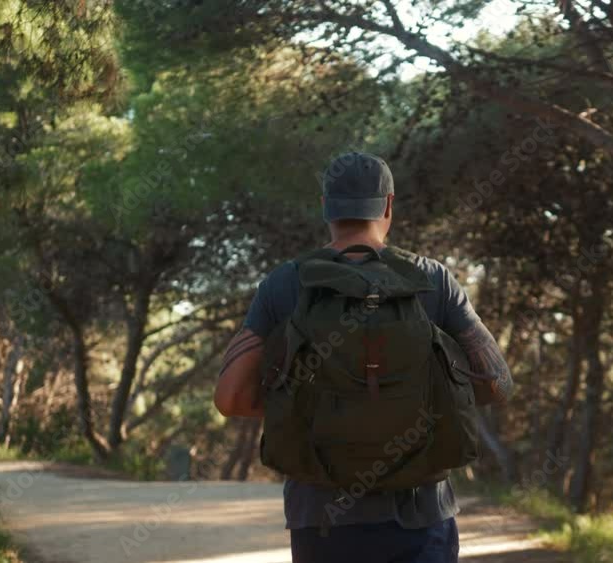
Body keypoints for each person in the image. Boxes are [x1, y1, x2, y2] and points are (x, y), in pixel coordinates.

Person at [213, 152, 514, 563]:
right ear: (388, 205)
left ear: (325, 206)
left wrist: (307, 402)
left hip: (321, 518)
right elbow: (498, 383)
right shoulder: (432, 280)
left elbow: (230, 398)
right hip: (421, 516)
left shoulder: (285, 283)